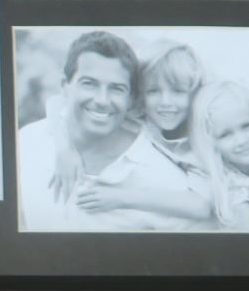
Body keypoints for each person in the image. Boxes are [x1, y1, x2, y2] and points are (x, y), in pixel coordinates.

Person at [19, 31, 170, 232]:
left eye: (116, 88)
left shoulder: (162, 177)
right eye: (89, 84)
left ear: (131, 98)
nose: (102, 100)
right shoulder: (27, 141)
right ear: (65, 86)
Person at [65, 40, 213, 229]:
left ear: (195, 94)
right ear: (139, 94)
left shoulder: (202, 141)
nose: (166, 102)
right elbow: (57, 103)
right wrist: (64, 149)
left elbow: (201, 206)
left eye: (178, 91)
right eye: (153, 91)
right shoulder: (137, 118)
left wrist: (121, 197)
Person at [188, 81, 249, 230]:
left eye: (246, 126)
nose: (241, 141)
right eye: (225, 135)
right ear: (211, 144)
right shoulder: (221, 187)